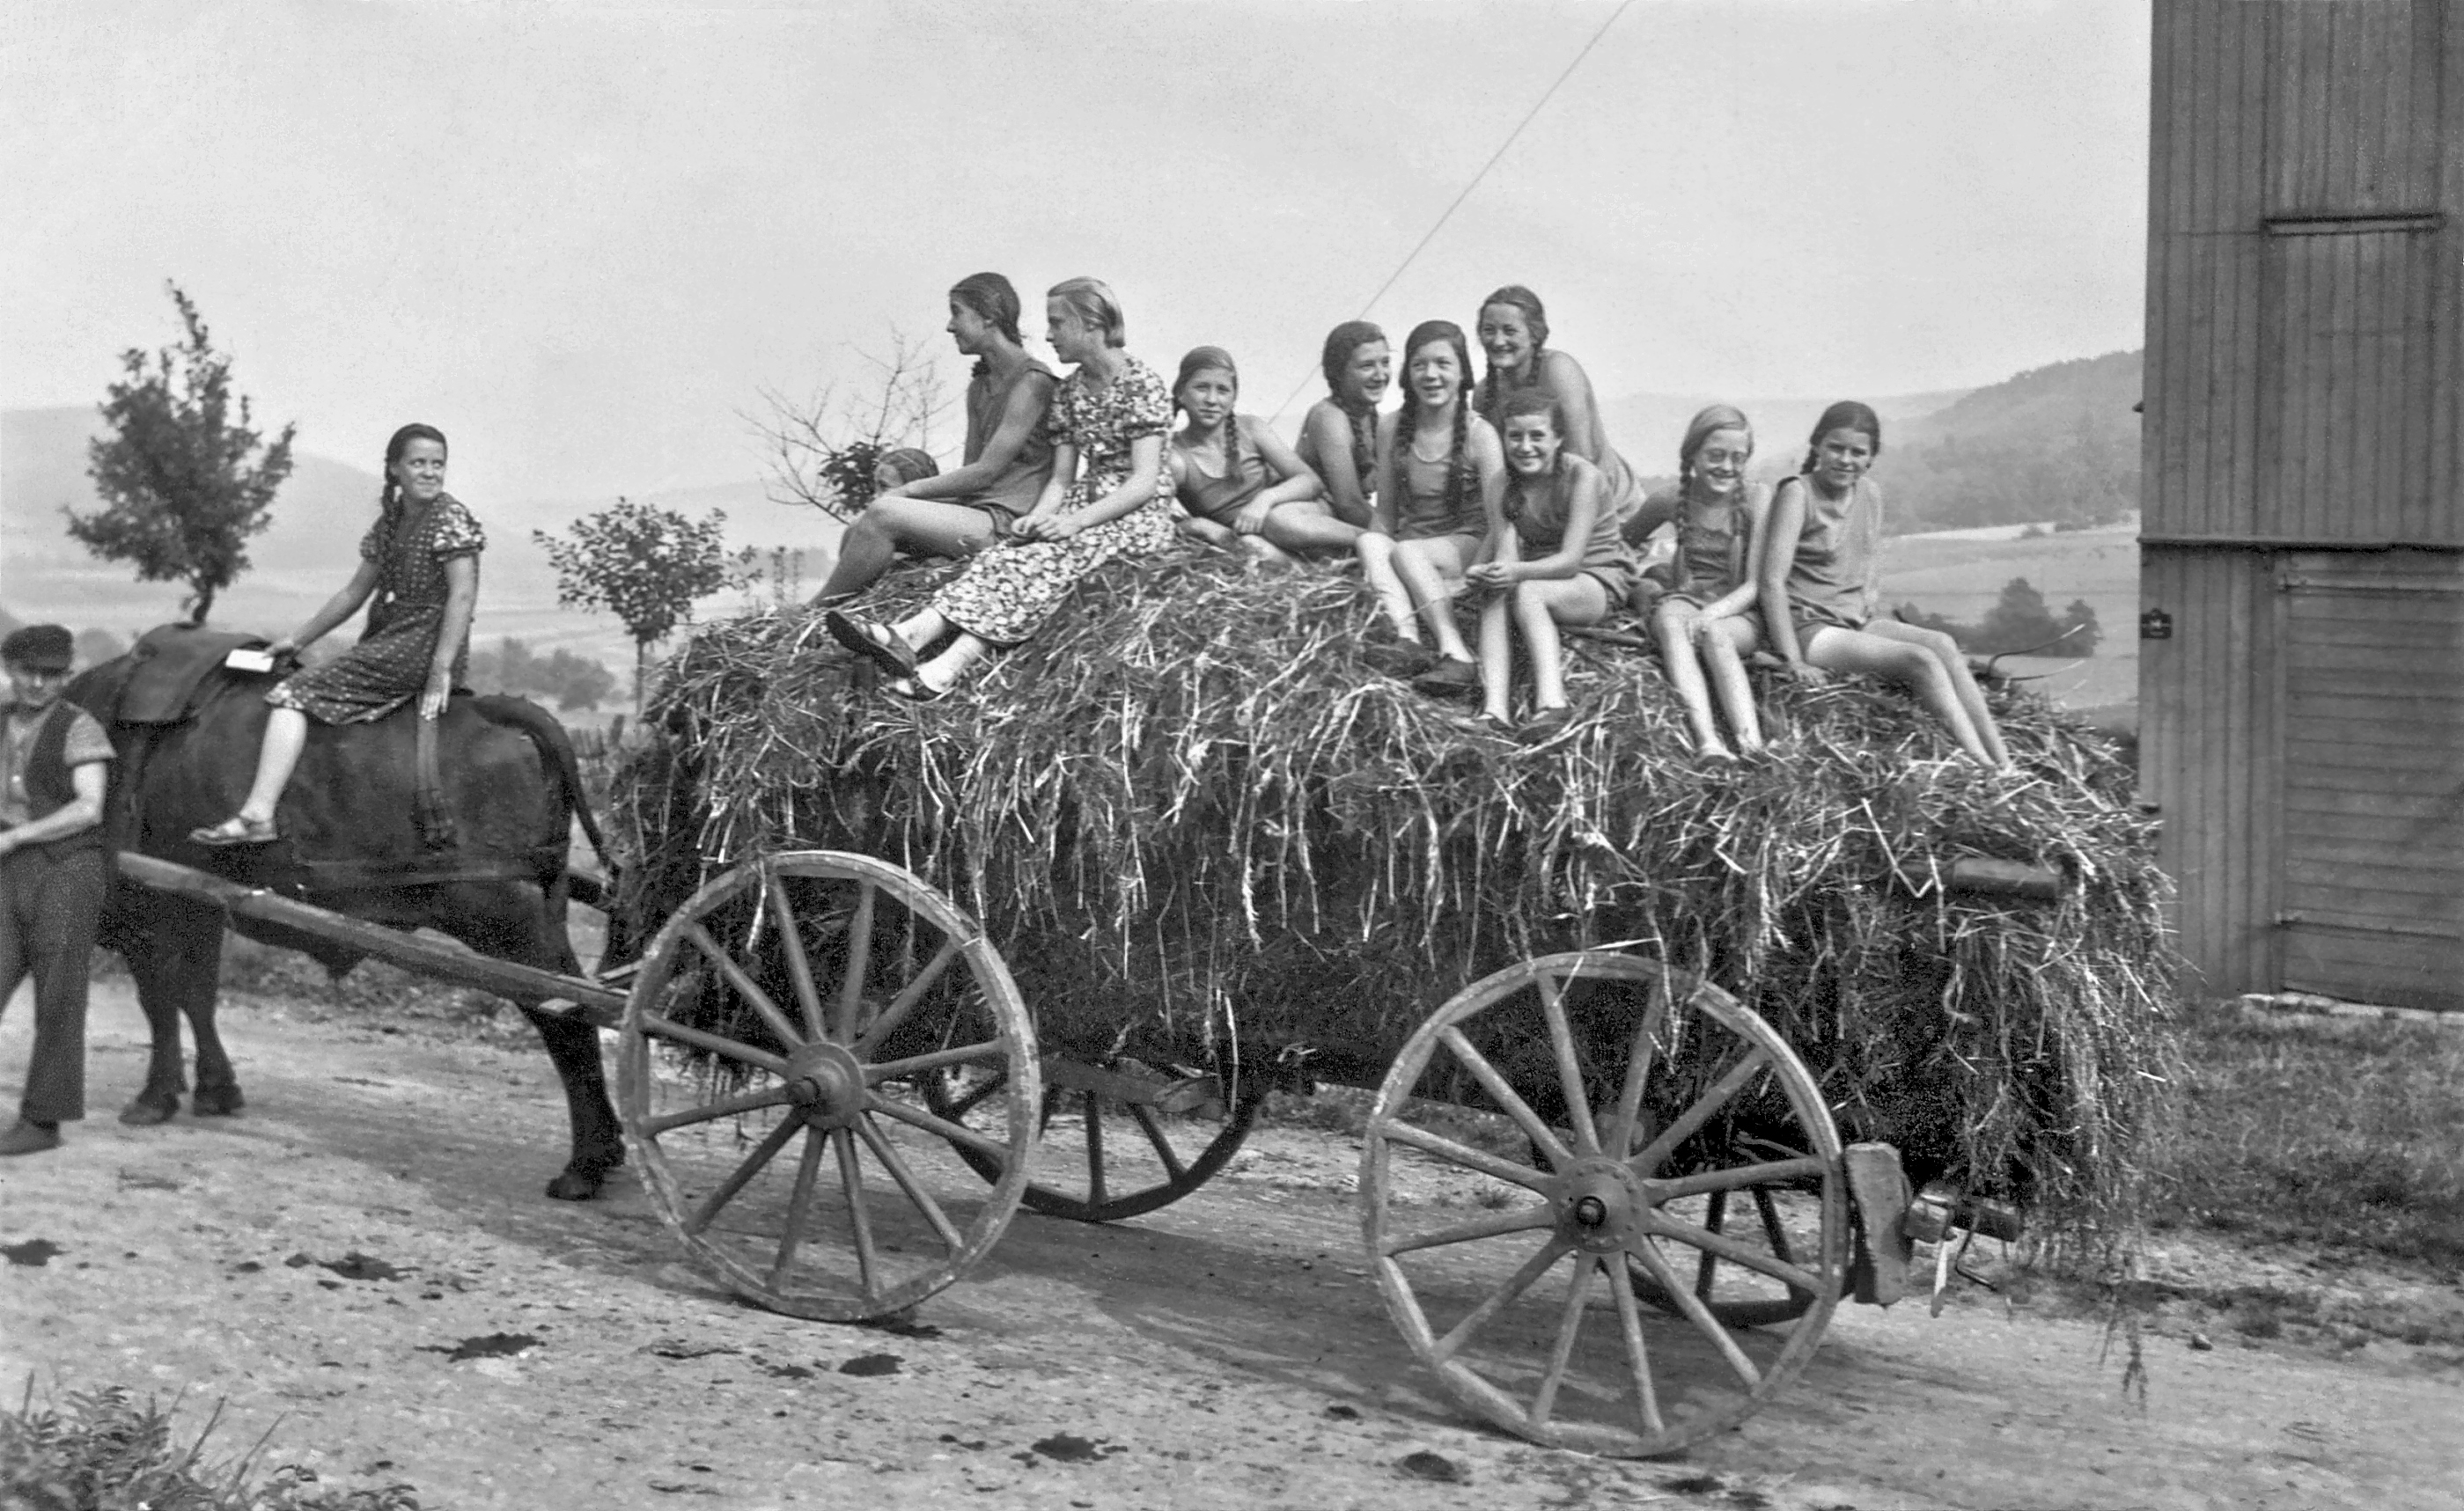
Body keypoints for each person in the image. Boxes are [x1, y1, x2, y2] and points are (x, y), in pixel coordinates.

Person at [825, 277, 1180, 700]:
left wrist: (1073, 522)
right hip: (1082, 505)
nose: (1048, 334)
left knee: (1042, 566)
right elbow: (1061, 478)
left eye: (1058, 323)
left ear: (1091, 324)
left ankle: (945, 667)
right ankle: (909, 635)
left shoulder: (1142, 383)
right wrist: (1044, 517)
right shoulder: (1070, 392)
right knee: (1006, 558)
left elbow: (1143, 483)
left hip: (1132, 514)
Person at [189, 422, 482, 845]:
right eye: (418, 463)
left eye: (438, 464)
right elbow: (354, 592)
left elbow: (462, 596)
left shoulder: (450, 518)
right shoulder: (393, 522)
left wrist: (441, 669)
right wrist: (299, 639)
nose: (430, 473)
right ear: (395, 469)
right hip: (394, 638)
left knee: (293, 694)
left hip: (423, 645)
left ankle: (258, 813)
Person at [1760, 401, 2014, 769]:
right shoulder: (1797, 494)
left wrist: (1868, 599)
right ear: (1816, 446)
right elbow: (1771, 582)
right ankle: (1981, 767)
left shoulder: (1869, 494)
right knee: (1920, 660)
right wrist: (1793, 660)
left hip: (1852, 620)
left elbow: (1869, 555)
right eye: (1836, 448)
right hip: (1809, 627)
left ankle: (2005, 762)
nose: (1845, 460)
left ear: (1870, 459)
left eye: (1857, 452)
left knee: (1943, 644)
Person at [809, 273, 1058, 604]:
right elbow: (970, 472)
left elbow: (986, 472)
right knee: (857, 529)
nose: (949, 326)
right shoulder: (980, 386)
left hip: (1009, 523)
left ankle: (812, 612)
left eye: (957, 312)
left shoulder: (1032, 382)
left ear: (989, 316)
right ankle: (853, 613)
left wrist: (907, 492)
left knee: (885, 513)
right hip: (979, 513)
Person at [0, 625, 113, 1155]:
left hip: (69, 868)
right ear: (9, 668)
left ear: (66, 676)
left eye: (52, 675)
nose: (39, 684)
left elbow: (88, 808)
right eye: (29, 672)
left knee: (59, 990)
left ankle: (44, 1121)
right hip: (10, 869)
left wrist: (18, 835)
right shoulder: (1, 720)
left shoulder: (79, 727)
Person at [1466, 391, 1637, 736]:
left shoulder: (1581, 477)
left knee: (1528, 593)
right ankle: (1494, 709)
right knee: (1495, 593)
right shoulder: (1501, 483)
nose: (1525, 446)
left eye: (1537, 436)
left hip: (1596, 578)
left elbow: (1571, 562)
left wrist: (1515, 572)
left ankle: (1552, 703)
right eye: (1515, 436)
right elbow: (1507, 550)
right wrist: (1486, 572)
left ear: (1559, 439)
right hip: (1543, 574)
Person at [1355, 320, 1504, 693]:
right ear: (1408, 373)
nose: (1431, 375)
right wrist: (1371, 567)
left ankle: (1457, 653)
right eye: (1420, 365)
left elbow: (1499, 521)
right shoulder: (1391, 427)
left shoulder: (1480, 433)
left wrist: (1477, 578)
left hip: (1466, 545)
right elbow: (1385, 514)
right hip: (1414, 546)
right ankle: (1408, 641)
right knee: (1370, 542)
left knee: (1406, 551)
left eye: (1443, 364)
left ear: (1462, 373)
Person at [1468, 286, 1647, 539]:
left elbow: (1582, 458)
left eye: (1510, 331)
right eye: (1489, 330)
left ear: (1535, 334)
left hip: (1608, 508)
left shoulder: (1558, 370)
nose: (1498, 341)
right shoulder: (1484, 392)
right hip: (1536, 512)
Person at [1651, 405, 1773, 759]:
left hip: (1740, 609)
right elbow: (1619, 545)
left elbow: (1754, 584)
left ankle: (1752, 744)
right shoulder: (1671, 499)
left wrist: (1714, 614)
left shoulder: (1757, 498)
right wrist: (1649, 580)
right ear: (1693, 455)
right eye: (1715, 456)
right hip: (1687, 597)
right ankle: (1708, 742)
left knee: (1715, 637)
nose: (1727, 467)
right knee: (1672, 623)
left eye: (1738, 458)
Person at [1166, 346, 1358, 564]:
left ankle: (1368, 541)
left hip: (1302, 515)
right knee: (1249, 547)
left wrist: (1264, 501)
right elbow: (1158, 522)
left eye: (1222, 390)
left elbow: (1311, 481)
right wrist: (1201, 526)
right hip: (1257, 539)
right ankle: (1325, 570)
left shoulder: (1251, 428)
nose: (1212, 399)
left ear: (1233, 398)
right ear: (1181, 393)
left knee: (1279, 521)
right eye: (1201, 388)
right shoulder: (1177, 458)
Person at [1295, 321, 1389, 530]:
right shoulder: (1329, 417)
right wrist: (1398, 537)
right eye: (1367, 366)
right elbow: (1348, 504)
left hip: (1353, 521)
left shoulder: (1380, 422)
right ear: (1339, 371)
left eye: (1385, 362)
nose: (1380, 375)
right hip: (1320, 518)